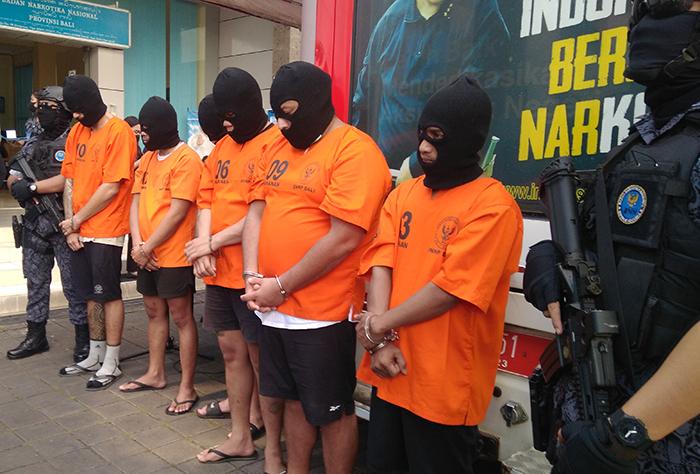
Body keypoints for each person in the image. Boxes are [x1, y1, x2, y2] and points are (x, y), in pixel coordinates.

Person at [523, 2, 700, 472]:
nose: (647, 21)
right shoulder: (643, 143)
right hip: (589, 430)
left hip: (656, 448)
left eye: (674, 4)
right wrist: (549, 258)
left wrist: (623, 436)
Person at [355, 76, 523, 473]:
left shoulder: (493, 206)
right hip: (391, 369)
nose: (424, 148)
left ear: (467, 140)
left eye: (437, 138)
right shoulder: (404, 194)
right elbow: (381, 261)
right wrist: (379, 342)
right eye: (422, 135)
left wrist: (378, 327)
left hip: (443, 386)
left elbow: (450, 289)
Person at [241, 61, 392, 474]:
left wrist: (281, 286)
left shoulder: (355, 151)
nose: (283, 125)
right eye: (277, 115)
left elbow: (344, 238)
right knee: (292, 401)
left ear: (318, 104)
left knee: (332, 411)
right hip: (273, 306)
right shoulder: (275, 146)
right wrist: (252, 277)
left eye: (290, 113)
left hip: (322, 314)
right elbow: (256, 212)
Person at [186, 71, 280, 465]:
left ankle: (273, 447)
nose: (225, 125)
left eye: (231, 117)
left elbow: (263, 213)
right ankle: (241, 436)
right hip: (220, 272)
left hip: (255, 275)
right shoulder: (222, 147)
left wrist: (211, 243)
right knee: (230, 352)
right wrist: (204, 247)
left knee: (261, 360)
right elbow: (206, 200)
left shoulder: (276, 145)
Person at [118, 96, 203, 416]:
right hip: (147, 253)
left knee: (181, 317)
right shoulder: (147, 160)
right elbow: (135, 202)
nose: (143, 137)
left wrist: (148, 246)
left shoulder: (187, 159)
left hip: (174, 255)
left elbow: (179, 210)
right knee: (153, 312)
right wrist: (139, 246)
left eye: (147, 131)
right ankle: (155, 373)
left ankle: (187, 387)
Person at [352, 0, 510, 170]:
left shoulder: (481, 10)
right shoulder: (393, 17)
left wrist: (415, 165)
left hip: (447, 173)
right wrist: (360, 162)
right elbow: (364, 97)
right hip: (387, 171)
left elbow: (475, 105)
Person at [54, 75, 136, 390]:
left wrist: (76, 220)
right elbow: (70, 180)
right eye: (72, 111)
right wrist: (71, 225)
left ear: (93, 102)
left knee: (108, 294)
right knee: (88, 294)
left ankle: (112, 361)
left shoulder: (119, 132)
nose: (76, 116)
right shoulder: (77, 131)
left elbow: (111, 187)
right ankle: (94, 353)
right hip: (79, 228)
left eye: (79, 110)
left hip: (107, 229)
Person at [5, 86, 89, 362]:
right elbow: (15, 174)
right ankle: (35, 335)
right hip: (34, 225)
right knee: (36, 282)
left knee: (73, 285)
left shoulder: (76, 140)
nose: (42, 112)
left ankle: (83, 338)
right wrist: (16, 185)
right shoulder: (33, 142)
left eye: (50, 107)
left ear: (65, 110)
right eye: (40, 107)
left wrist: (33, 187)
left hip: (64, 225)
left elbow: (69, 180)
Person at [122, 115, 143, 280]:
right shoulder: (123, 146)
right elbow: (124, 168)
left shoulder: (137, 146)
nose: (137, 135)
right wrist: (140, 162)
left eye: (139, 133)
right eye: (135, 132)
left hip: (136, 190)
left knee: (133, 230)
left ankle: (133, 266)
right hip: (126, 192)